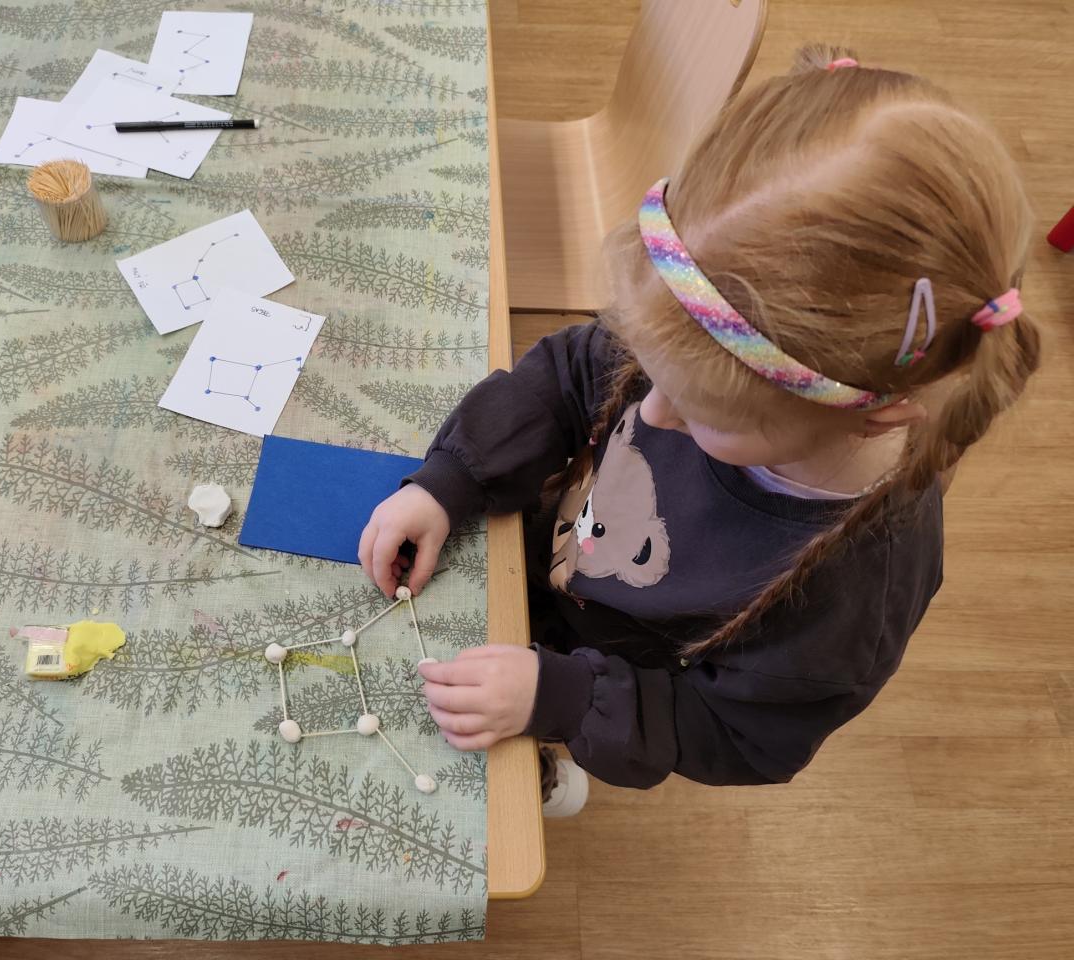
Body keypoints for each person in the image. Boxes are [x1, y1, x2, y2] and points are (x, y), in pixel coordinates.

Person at [358, 46, 1040, 814]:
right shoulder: (701, 338)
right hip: (553, 567)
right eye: (651, 371)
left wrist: (566, 701)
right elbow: (570, 376)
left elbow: (734, 732)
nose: (648, 415)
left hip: (613, 669)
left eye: (700, 415)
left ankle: (550, 766)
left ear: (874, 415)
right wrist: (453, 479)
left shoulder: (853, 597)